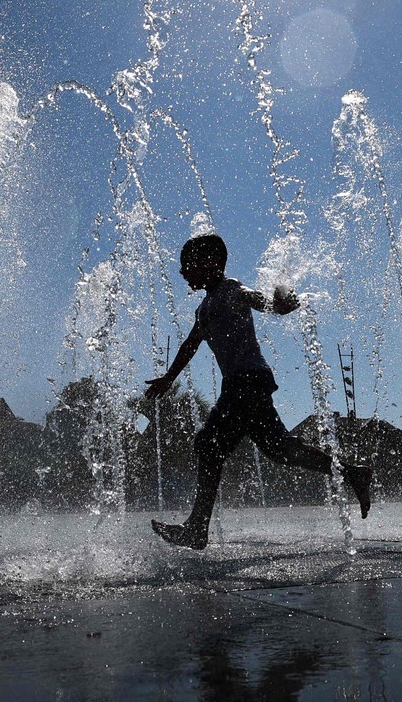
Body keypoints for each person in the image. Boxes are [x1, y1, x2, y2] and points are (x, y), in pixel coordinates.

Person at [142, 233, 372, 550]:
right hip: (243, 382)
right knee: (280, 449)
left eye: (188, 266)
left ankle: (197, 528)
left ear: (210, 263)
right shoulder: (204, 307)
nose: (183, 273)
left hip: (247, 380)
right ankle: (352, 474)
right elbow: (191, 343)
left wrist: (280, 304)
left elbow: (263, 302)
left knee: (209, 443)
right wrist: (169, 376)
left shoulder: (232, 290)